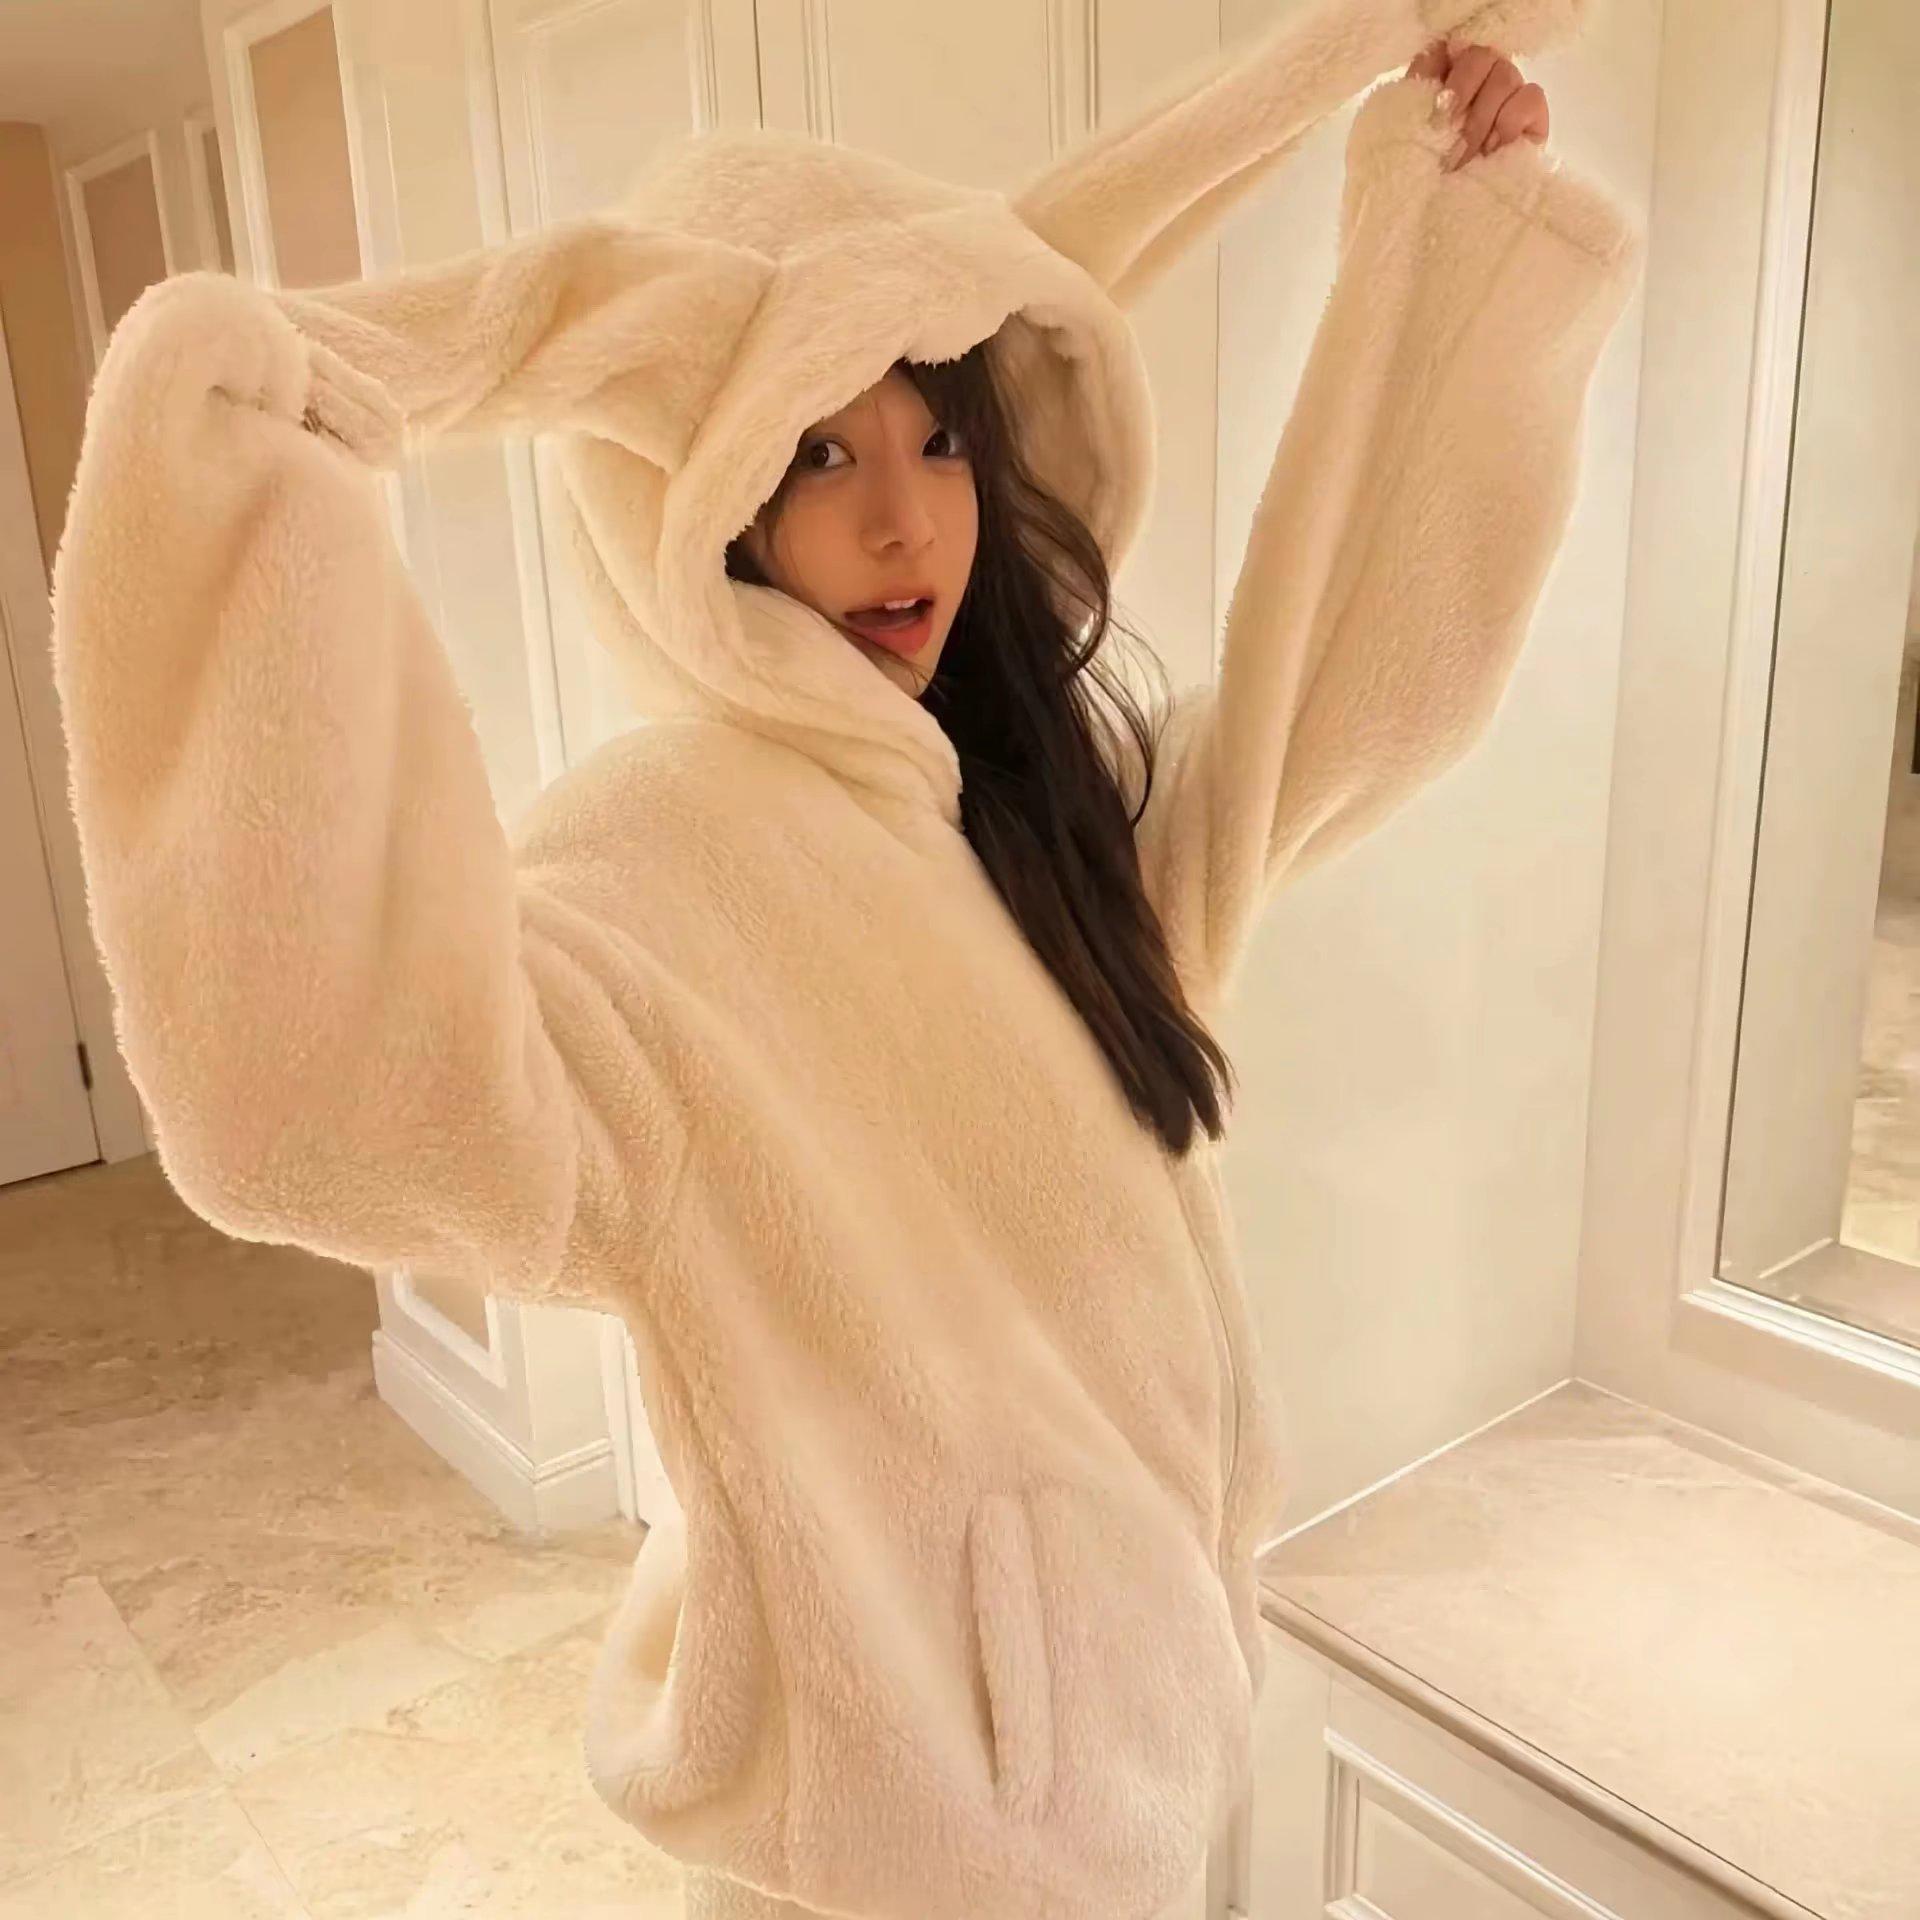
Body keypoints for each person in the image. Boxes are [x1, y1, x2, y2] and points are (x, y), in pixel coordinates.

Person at [47, 0, 1640, 1913]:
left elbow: (1352, 693)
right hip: (891, 1847)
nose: (902, 521)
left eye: (937, 436)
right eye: (816, 450)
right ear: (708, 508)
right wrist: (249, 486)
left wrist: (1450, 232)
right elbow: (323, 1109)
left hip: (1128, 1755)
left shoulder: (1042, 811)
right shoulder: (657, 856)